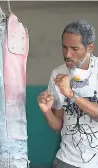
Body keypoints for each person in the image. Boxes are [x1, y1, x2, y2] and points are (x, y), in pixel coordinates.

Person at [37, 20, 98, 168]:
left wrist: (70, 94)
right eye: (64, 47)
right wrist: (46, 110)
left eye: (74, 49)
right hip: (65, 161)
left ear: (90, 47)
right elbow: (58, 126)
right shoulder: (57, 74)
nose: (67, 54)